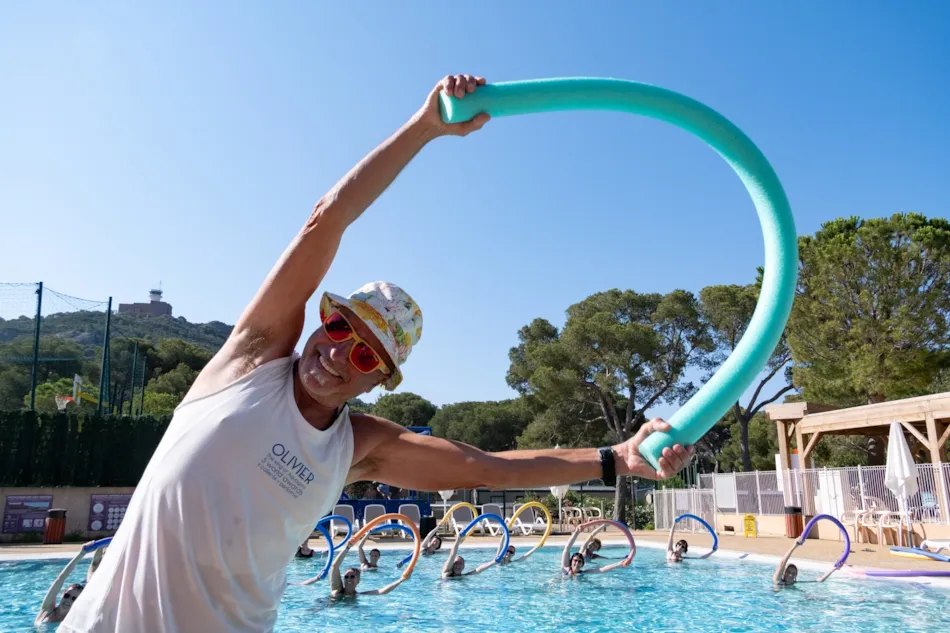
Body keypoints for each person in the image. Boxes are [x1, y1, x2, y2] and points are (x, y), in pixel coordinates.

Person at [60, 73, 693, 633]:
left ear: (377, 383)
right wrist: (424, 128)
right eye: (340, 328)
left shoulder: (356, 447)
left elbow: (488, 469)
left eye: (365, 358)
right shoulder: (248, 364)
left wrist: (616, 459)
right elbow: (326, 221)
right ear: (323, 319)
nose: (338, 355)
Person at [34, 541, 98, 625]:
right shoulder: (47, 609)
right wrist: (81, 553)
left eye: (74, 598)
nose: (68, 600)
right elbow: (60, 579)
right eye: (67, 595)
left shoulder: (75, 620)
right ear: (62, 594)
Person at [561, 526, 627, 577]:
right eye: (575, 560)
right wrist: (576, 532)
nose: (577, 563)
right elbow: (567, 548)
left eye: (579, 561)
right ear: (571, 561)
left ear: (582, 564)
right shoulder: (582, 552)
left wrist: (620, 562)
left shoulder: (586, 569)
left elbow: (603, 568)